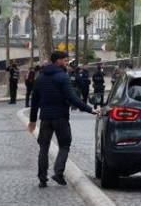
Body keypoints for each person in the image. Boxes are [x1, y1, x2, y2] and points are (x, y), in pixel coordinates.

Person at [28, 50, 98, 188]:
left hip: (45, 118)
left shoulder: (40, 77)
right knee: (65, 145)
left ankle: (42, 178)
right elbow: (72, 98)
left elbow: (34, 100)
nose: (67, 63)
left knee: (43, 147)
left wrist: (33, 120)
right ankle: (58, 173)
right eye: (65, 60)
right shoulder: (62, 77)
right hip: (60, 117)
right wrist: (90, 109)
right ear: (58, 61)